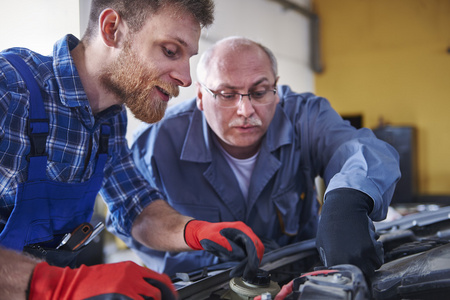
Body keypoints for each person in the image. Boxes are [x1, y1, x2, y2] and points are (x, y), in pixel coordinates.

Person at [0, 2, 265, 299]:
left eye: (187, 57)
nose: (186, 78)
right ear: (112, 29)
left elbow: (135, 207)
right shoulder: (9, 89)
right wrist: (56, 285)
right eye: (169, 51)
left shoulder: (110, 119)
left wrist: (195, 232)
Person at [127, 36, 401, 278]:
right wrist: (212, 253)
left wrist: (347, 200)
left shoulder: (303, 117)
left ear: (276, 89)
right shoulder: (155, 144)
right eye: (226, 94)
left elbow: (360, 148)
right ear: (200, 95)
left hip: (297, 279)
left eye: (259, 92)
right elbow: (135, 224)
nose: (245, 109)